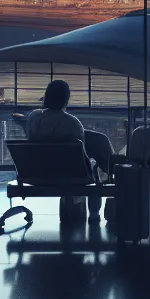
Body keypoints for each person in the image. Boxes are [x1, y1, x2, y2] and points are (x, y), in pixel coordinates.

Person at [20, 78, 116, 219]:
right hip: (71, 175)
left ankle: (112, 172)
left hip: (38, 175)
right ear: (66, 99)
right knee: (98, 151)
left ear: (46, 96)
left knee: (97, 141)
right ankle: (110, 183)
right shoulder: (72, 123)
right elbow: (81, 158)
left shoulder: (33, 118)